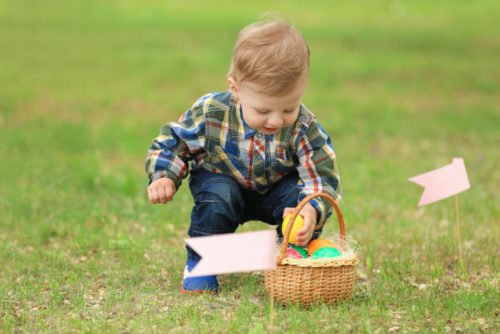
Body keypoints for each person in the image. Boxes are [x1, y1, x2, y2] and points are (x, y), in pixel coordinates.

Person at [145, 18, 341, 294]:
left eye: (288, 108)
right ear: (236, 90)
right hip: (222, 182)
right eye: (263, 110)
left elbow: (322, 175)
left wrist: (312, 209)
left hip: (274, 190)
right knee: (219, 196)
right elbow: (174, 142)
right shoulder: (212, 111)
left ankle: (289, 255)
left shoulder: (304, 126)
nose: (276, 120)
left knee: (299, 200)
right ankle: (202, 264)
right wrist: (164, 175)